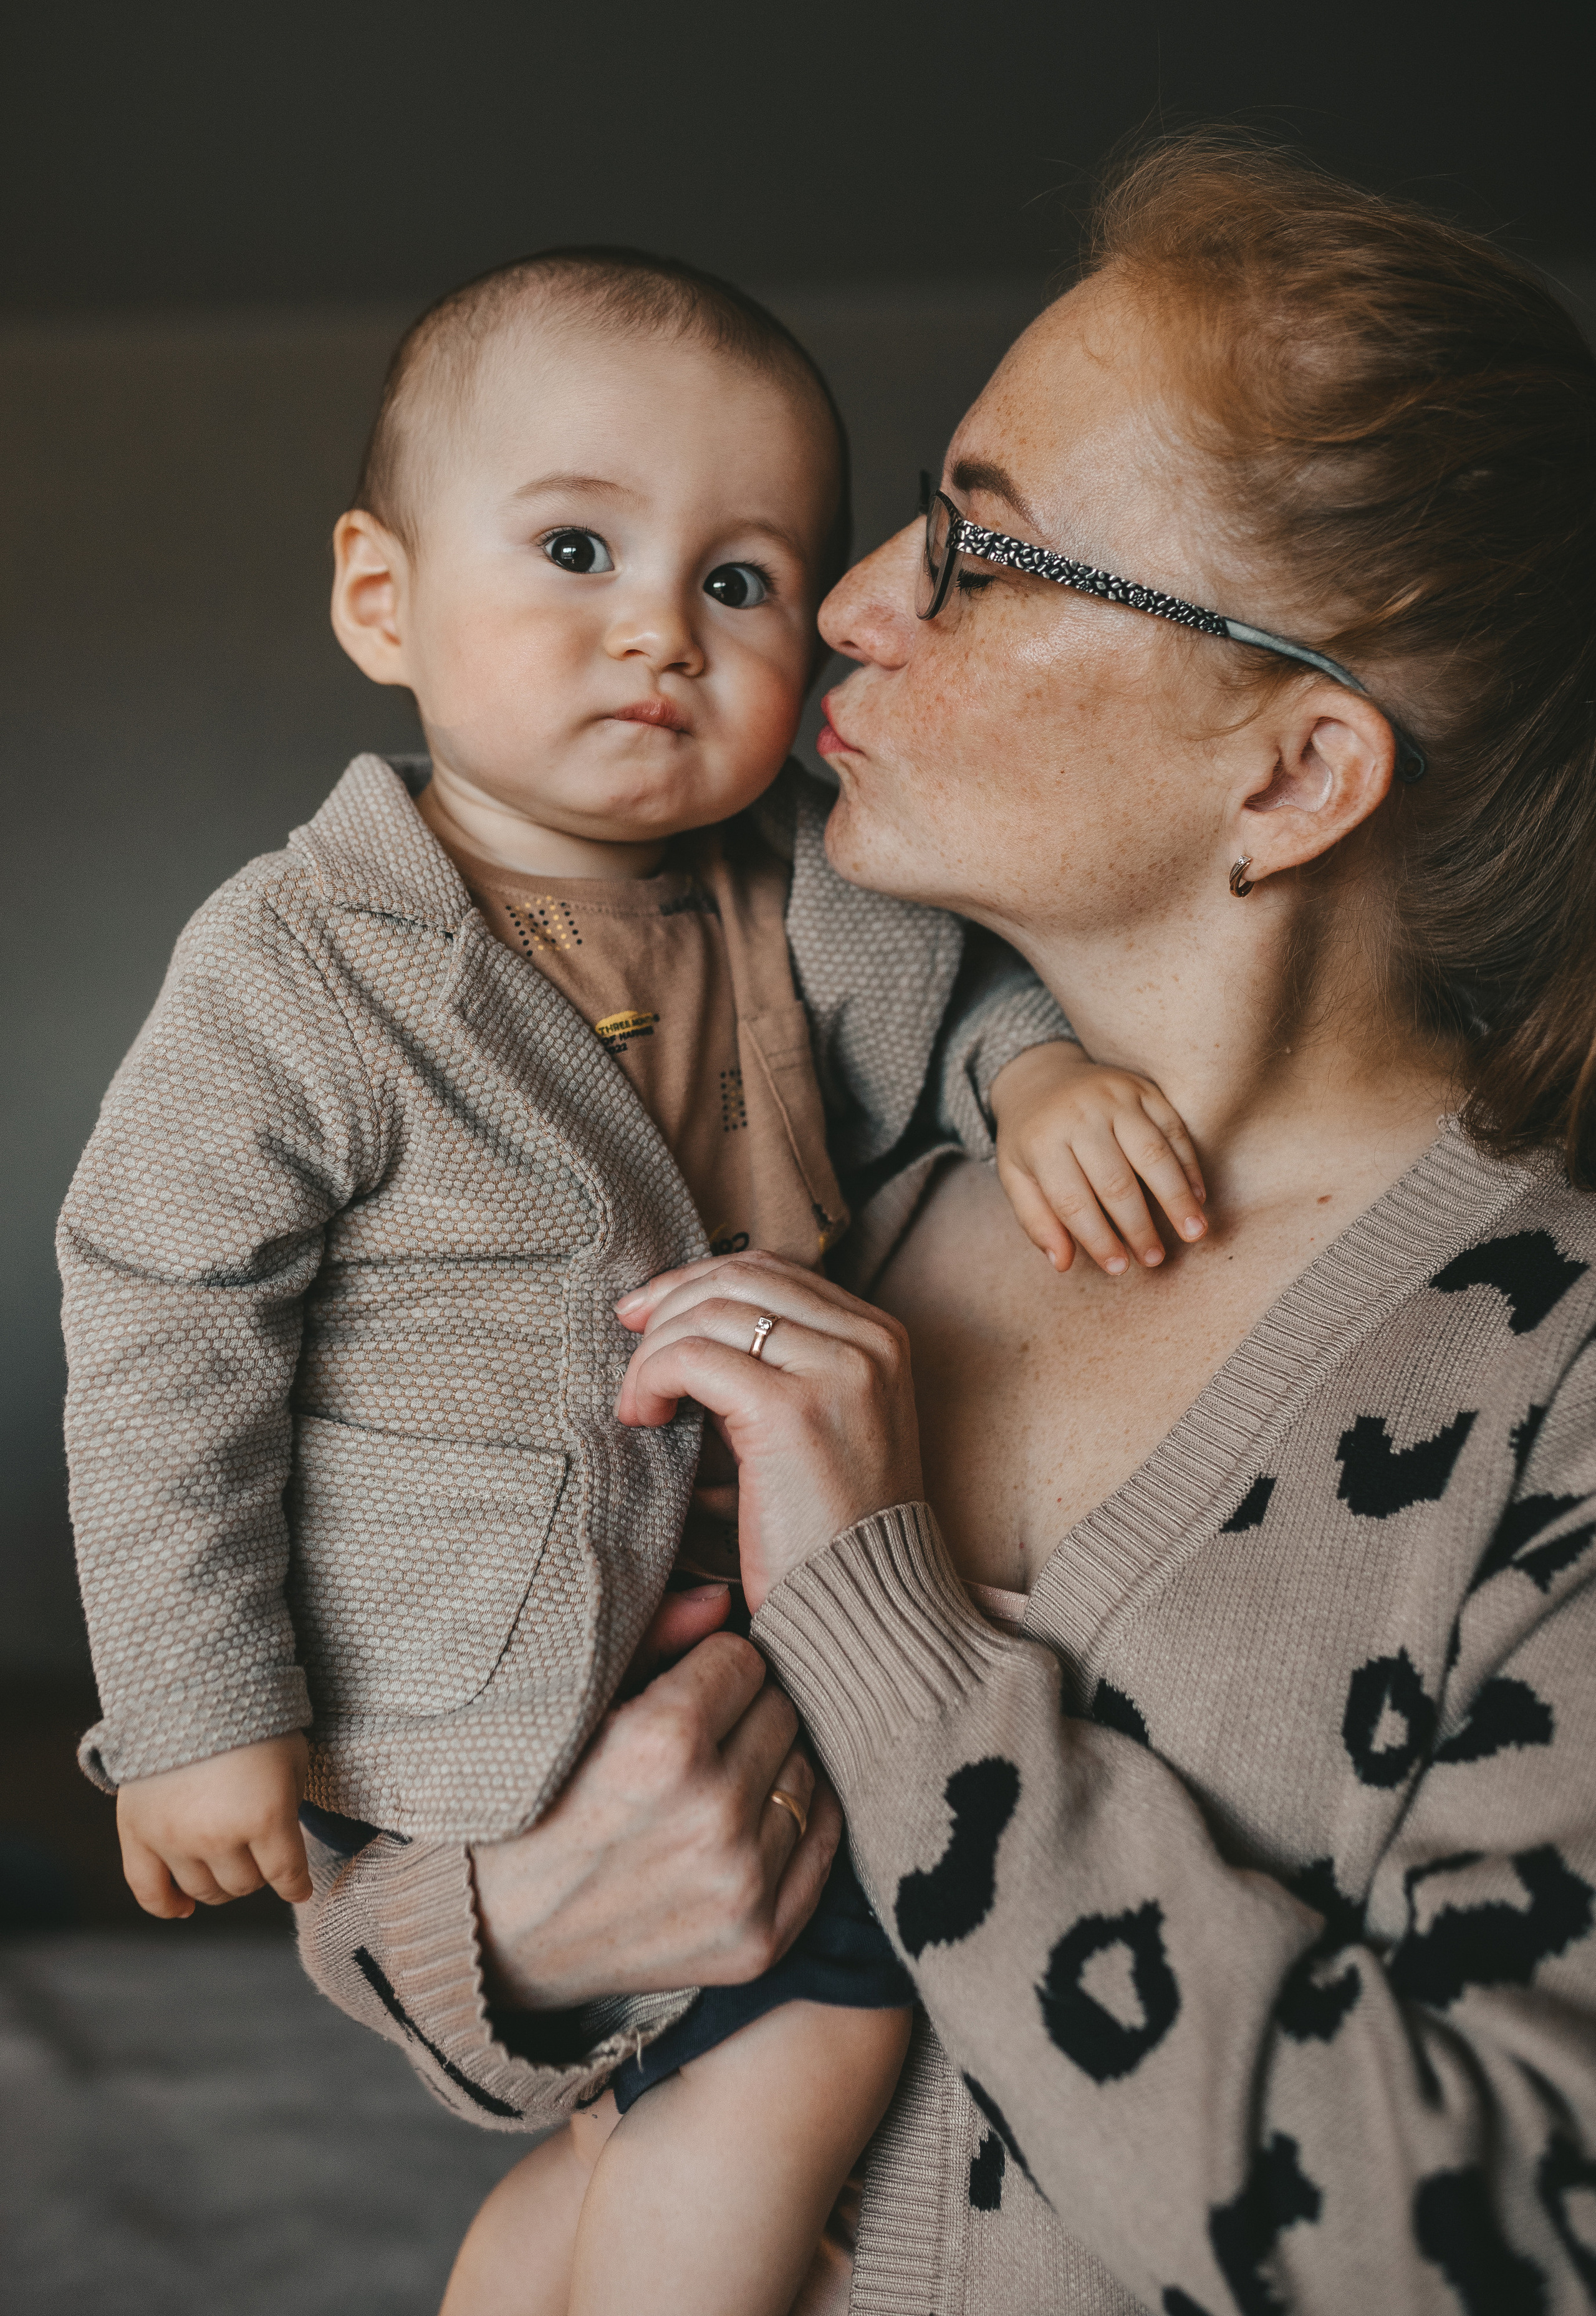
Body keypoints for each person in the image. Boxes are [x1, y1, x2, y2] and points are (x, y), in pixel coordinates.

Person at [314, 138, 1594, 2314]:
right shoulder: (836, 1200)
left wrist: (891, 1651)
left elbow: (1489, 2243)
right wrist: (517, 1934)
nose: (845, 598)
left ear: (1293, 774)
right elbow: (442, 1843)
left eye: (983, 552)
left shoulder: (1545, 1388)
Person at [57, 247, 1211, 2316]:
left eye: (742, 582)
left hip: (744, 1617)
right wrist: (194, 1705)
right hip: (473, 1676)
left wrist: (1036, 1081)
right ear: (380, 598)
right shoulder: (305, 967)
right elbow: (160, 1320)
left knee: (655, 2110)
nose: (658, 635)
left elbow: (956, 1005)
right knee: (824, 2030)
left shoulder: (811, 878)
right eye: (578, 547)